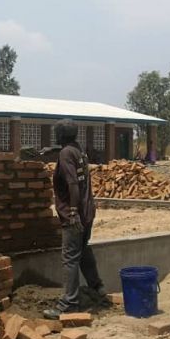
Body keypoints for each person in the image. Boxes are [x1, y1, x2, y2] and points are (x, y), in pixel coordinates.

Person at [43, 119, 106, 320]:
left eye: (57, 133)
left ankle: (69, 303)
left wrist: (72, 212)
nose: (55, 136)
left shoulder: (65, 154)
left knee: (70, 259)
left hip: (75, 215)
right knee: (83, 250)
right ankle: (97, 287)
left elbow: (72, 184)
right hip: (87, 212)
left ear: (61, 135)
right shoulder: (77, 150)